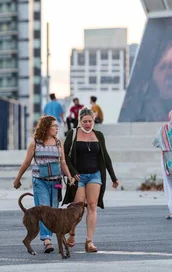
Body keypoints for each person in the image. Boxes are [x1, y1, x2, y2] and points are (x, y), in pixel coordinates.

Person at [13, 116, 75, 253]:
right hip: (40, 181)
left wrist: (70, 177)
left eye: (57, 126)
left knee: (53, 211)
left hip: (56, 182)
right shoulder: (35, 143)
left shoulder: (59, 142)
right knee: (44, 210)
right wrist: (18, 179)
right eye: (54, 126)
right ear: (46, 127)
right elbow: (26, 162)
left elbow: (63, 162)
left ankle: (51, 237)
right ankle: (46, 240)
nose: (57, 128)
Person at [63, 107, 119, 252]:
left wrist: (113, 177)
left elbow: (105, 157)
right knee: (78, 206)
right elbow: (64, 157)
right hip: (79, 176)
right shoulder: (72, 134)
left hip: (95, 174)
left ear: (93, 121)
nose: (88, 124)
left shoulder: (98, 135)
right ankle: (72, 232)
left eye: (90, 121)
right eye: (85, 121)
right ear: (80, 121)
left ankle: (89, 241)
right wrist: (73, 172)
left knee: (92, 205)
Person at [153, 110, 172, 220]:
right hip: (167, 158)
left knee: (169, 186)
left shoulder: (163, 129)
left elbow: (156, 143)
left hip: (166, 159)